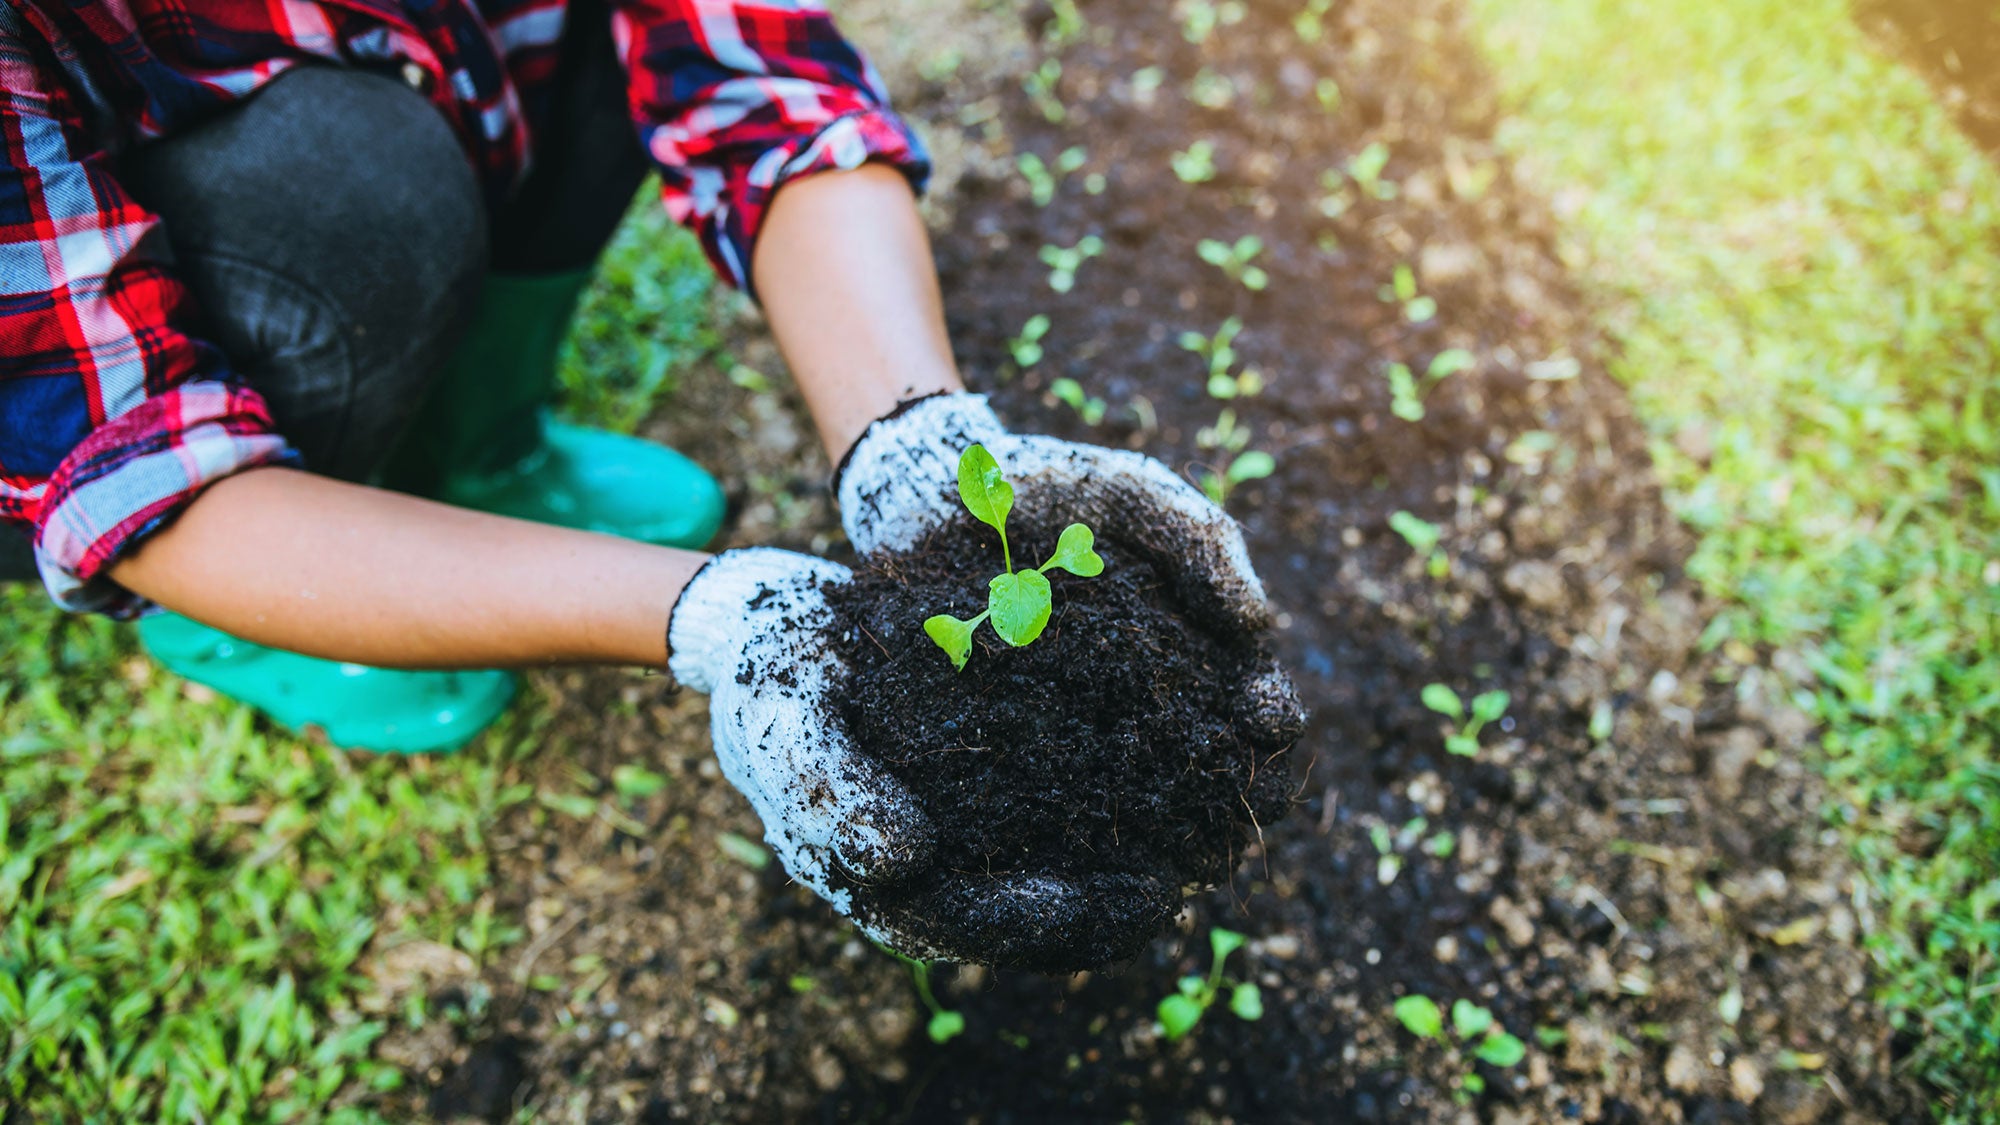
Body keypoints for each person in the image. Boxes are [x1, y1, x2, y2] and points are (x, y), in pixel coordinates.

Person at [0, 0, 1301, 965]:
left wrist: (918, 436)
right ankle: (244, 619)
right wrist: (719, 619)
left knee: (563, 40)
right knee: (353, 202)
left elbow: (752, 62)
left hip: (420, 75)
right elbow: (136, 466)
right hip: (102, 378)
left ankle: (487, 446)